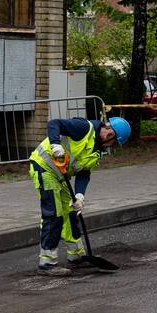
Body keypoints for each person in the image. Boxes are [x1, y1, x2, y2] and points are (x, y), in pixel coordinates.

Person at [28, 115, 130, 276]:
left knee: (71, 213)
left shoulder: (96, 150)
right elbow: (54, 124)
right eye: (114, 142)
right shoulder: (84, 128)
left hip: (60, 176)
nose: (112, 146)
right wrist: (55, 145)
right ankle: (47, 262)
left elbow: (83, 173)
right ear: (110, 133)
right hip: (44, 167)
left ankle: (75, 255)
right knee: (54, 214)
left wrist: (80, 196)